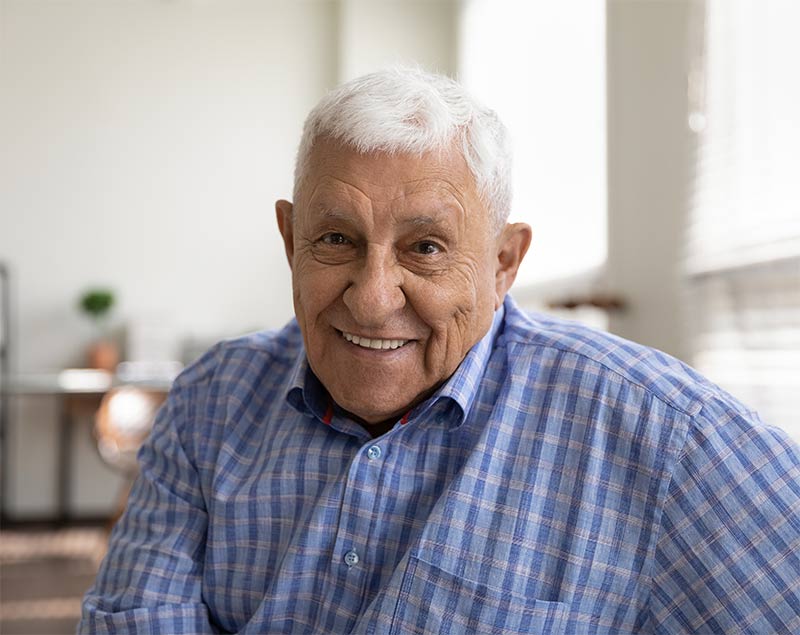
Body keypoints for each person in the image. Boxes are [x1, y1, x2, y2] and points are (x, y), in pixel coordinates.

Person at [80, 67, 800, 634]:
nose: (371, 296)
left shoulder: (668, 435)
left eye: (425, 248)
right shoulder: (211, 400)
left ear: (503, 263)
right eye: (336, 239)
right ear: (289, 237)